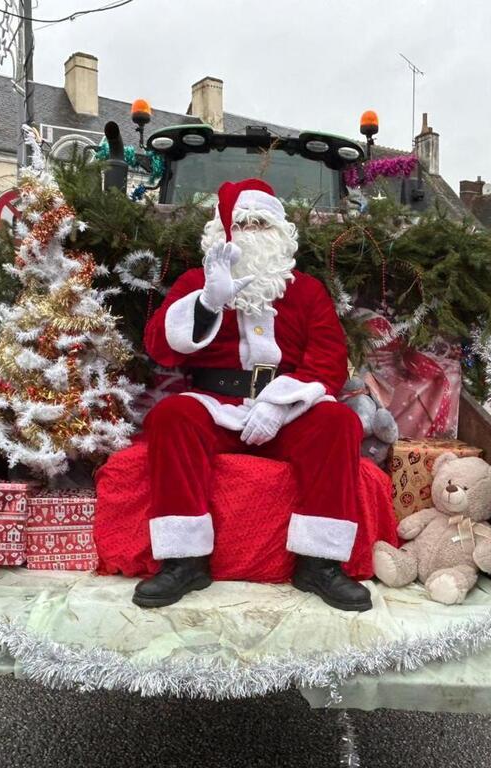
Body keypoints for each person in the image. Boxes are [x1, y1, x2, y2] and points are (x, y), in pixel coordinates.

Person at [135, 178, 372, 612]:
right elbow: (160, 348)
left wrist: (278, 404)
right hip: (215, 406)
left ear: (281, 233)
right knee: (171, 417)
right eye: (241, 224)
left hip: (288, 409)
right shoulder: (197, 281)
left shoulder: (306, 290)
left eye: (262, 224)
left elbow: (329, 361)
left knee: (339, 422)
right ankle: (184, 562)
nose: (251, 234)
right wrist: (207, 302)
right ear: (222, 234)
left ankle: (319, 564)